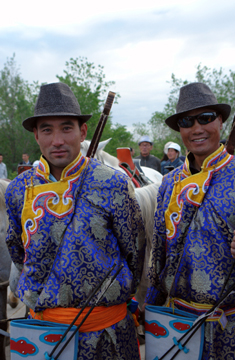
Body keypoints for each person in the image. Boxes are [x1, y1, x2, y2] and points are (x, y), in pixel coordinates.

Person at [5, 82, 146, 360]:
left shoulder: (113, 183)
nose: (57, 140)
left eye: (66, 128)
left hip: (109, 333)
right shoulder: (18, 190)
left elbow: (135, 251)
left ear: (82, 131)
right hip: (45, 333)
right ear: (36, 135)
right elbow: (18, 252)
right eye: (47, 129)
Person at [145, 82, 235, 359]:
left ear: (221, 120)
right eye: (187, 121)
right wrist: (150, 309)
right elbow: (158, 256)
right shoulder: (168, 183)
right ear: (180, 130)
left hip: (231, 328)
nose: (197, 128)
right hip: (176, 327)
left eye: (206, 118)